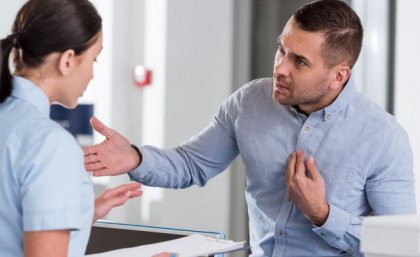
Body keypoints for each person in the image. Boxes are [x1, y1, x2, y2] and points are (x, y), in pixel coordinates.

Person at [83, 0, 416, 256]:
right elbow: (191, 164)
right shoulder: (249, 102)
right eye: (281, 49)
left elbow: (400, 246)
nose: (280, 68)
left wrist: (323, 214)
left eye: (299, 61)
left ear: (338, 75)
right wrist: (135, 158)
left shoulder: (383, 138)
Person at [0, 1, 175, 257]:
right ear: (68, 61)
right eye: (95, 59)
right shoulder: (50, 145)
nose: (92, 74)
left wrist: (82, 211)